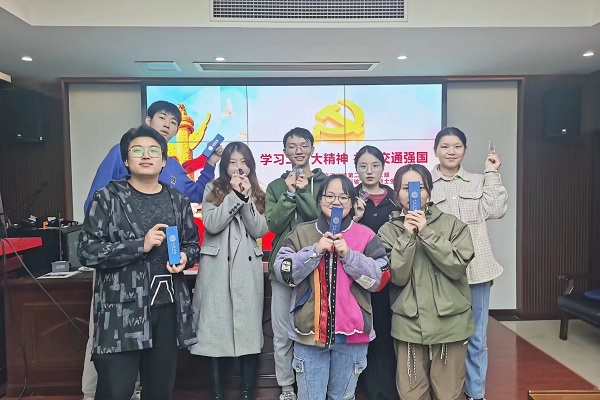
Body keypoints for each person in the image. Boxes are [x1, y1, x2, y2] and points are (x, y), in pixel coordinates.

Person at [78, 125, 200, 400]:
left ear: (164, 161)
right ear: (125, 159)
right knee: (116, 391)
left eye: (153, 151)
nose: (146, 155)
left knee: (159, 391)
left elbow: (192, 245)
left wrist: (184, 257)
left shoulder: (178, 201)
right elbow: (86, 251)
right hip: (121, 312)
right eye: (137, 150)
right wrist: (139, 246)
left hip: (167, 308)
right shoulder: (108, 198)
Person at [274, 174, 391, 400]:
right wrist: (314, 251)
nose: (336, 201)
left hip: (353, 336)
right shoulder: (301, 233)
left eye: (343, 197)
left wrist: (350, 256)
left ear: (352, 202)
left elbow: (381, 279)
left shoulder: (366, 235)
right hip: (309, 335)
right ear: (319, 200)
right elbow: (283, 272)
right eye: (329, 195)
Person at [378, 164, 475, 400]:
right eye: (406, 188)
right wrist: (407, 236)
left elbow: (456, 266)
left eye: (419, 187)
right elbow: (397, 276)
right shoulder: (388, 231)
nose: (413, 193)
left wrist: (426, 233)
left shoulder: (453, 225)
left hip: (450, 323)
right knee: (411, 393)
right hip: (409, 324)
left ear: (429, 192)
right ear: (396, 194)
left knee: (449, 393)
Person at [430, 127, 508, 400]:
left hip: (477, 271)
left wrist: (492, 172)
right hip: (440, 272)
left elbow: (496, 210)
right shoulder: (426, 183)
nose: (451, 152)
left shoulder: (478, 180)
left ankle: (475, 393)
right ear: (435, 150)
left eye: (457, 146)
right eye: (444, 146)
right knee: (442, 337)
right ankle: (446, 392)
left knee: (476, 338)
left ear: (465, 150)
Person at [190, 141, 268, 400]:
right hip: (216, 270)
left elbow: (259, 230)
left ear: (251, 166)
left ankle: (246, 394)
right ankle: (216, 394)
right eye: (233, 162)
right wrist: (234, 195)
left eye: (243, 162)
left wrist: (246, 198)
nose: (238, 167)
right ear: (224, 166)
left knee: (249, 333)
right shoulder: (212, 189)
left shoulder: (258, 191)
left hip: (246, 269)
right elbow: (212, 224)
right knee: (212, 332)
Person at [265, 127, 327, 400]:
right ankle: (287, 387)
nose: (298, 150)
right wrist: (289, 194)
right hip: (282, 269)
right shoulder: (276, 186)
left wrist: (302, 192)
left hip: (317, 264)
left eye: (304, 145)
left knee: (313, 328)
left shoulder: (325, 183)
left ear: (312, 149)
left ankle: (310, 386)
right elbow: (274, 224)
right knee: (281, 333)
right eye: (292, 146)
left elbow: (319, 219)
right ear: (285, 152)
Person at [83, 100, 222, 212]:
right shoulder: (120, 152)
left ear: (176, 131)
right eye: (162, 118)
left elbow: (198, 194)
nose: (167, 125)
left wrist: (210, 163)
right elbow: (94, 204)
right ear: (148, 121)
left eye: (173, 122)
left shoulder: (173, 166)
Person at [352, 146, 399, 400]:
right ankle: (369, 389)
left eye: (375, 165)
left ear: (383, 167)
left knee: (388, 332)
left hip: (393, 277)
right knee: (366, 333)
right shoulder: (351, 200)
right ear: (356, 169)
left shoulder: (396, 199)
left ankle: (389, 390)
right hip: (361, 278)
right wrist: (355, 218)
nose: (369, 171)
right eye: (363, 166)